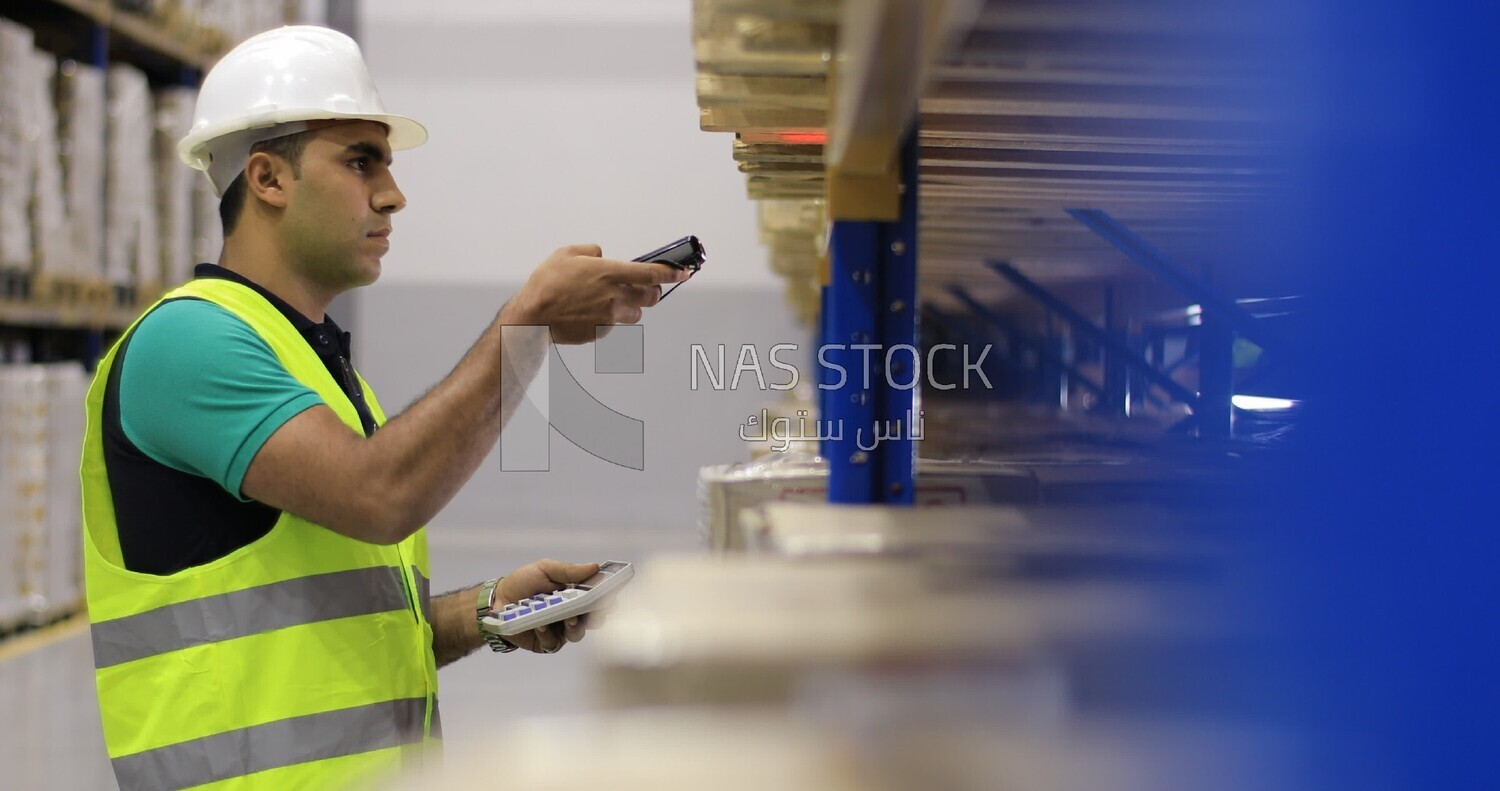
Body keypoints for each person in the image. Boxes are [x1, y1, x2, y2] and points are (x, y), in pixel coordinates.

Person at [78, 25, 687, 791]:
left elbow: (324, 631)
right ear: (268, 179)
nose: (393, 195)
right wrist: (526, 324)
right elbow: (381, 495)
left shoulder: (319, 368)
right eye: (360, 162)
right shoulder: (189, 342)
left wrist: (487, 609)